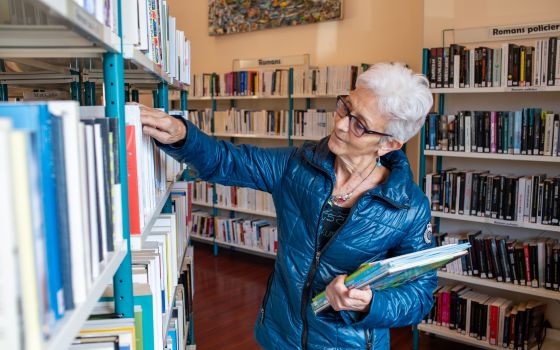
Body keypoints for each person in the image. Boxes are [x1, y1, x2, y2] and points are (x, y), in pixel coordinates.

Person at [139, 62, 436, 350]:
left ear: (388, 145)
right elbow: (225, 160)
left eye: (359, 125)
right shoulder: (295, 165)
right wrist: (182, 135)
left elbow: (421, 296)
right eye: (346, 107)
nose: (341, 124)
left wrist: (371, 303)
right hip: (282, 335)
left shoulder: (410, 208)